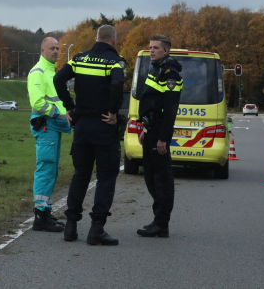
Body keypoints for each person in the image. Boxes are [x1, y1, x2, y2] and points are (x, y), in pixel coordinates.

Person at [54, 25, 125, 246]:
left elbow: (58, 79)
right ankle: (96, 230)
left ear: (96, 38)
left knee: (81, 175)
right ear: (114, 39)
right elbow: (117, 83)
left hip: (82, 126)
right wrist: (113, 111)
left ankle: (70, 227)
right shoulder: (115, 62)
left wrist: (69, 106)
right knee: (106, 177)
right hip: (104, 126)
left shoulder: (79, 58)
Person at [136, 34, 183, 238]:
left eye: (155, 47)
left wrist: (163, 138)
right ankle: (158, 220)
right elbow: (151, 103)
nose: (151, 51)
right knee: (150, 177)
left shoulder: (170, 74)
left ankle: (161, 224)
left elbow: (170, 110)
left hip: (159, 133)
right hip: (150, 130)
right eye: (150, 47)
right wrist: (144, 130)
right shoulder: (156, 69)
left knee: (161, 179)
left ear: (166, 50)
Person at [28, 36, 73, 232]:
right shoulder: (38, 72)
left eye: (57, 48)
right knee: (46, 169)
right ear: (42, 51)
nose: (56, 51)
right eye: (52, 48)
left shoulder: (50, 71)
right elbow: (38, 103)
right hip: (47, 126)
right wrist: (59, 115)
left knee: (51, 170)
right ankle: (40, 216)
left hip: (53, 127)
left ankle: (45, 211)